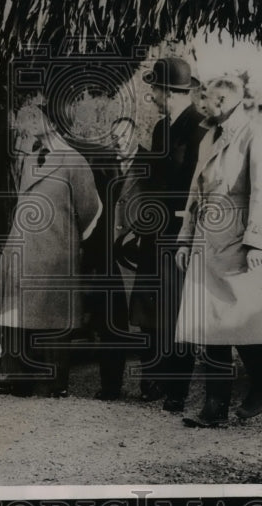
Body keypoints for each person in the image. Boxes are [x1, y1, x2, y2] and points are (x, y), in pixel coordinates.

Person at [175, 76, 262, 428]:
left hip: (238, 238)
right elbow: (195, 193)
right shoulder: (209, 136)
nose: (201, 105)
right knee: (210, 325)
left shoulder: (255, 135)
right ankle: (214, 406)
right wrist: (185, 239)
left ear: (222, 99)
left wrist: (257, 242)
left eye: (206, 99)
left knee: (240, 322)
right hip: (207, 239)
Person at [0, 103, 101, 398]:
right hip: (23, 248)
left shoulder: (75, 162)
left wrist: (68, 243)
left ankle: (52, 382)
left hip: (56, 252)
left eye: (37, 117)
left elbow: (91, 211)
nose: (28, 121)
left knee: (52, 318)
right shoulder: (31, 158)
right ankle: (15, 377)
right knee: (15, 313)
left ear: (55, 122)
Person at [129, 57, 206, 412]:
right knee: (149, 308)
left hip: (179, 233)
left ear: (169, 91)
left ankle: (176, 388)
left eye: (155, 90)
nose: (153, 97)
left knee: (177, 312)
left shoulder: (200, 129)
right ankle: (153, 379)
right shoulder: (162, 128)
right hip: (154, 231)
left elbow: (192, 183)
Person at [82, 116, 151, 401]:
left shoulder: (151, 163)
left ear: (135, 136)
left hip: (138, 255)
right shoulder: (100, 162)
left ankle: (150, 385)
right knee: (110, 323)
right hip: (107, 255)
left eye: (124, 136)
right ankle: (110, 386)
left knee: (148, 323)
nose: (119, 142)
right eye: (115, 137)